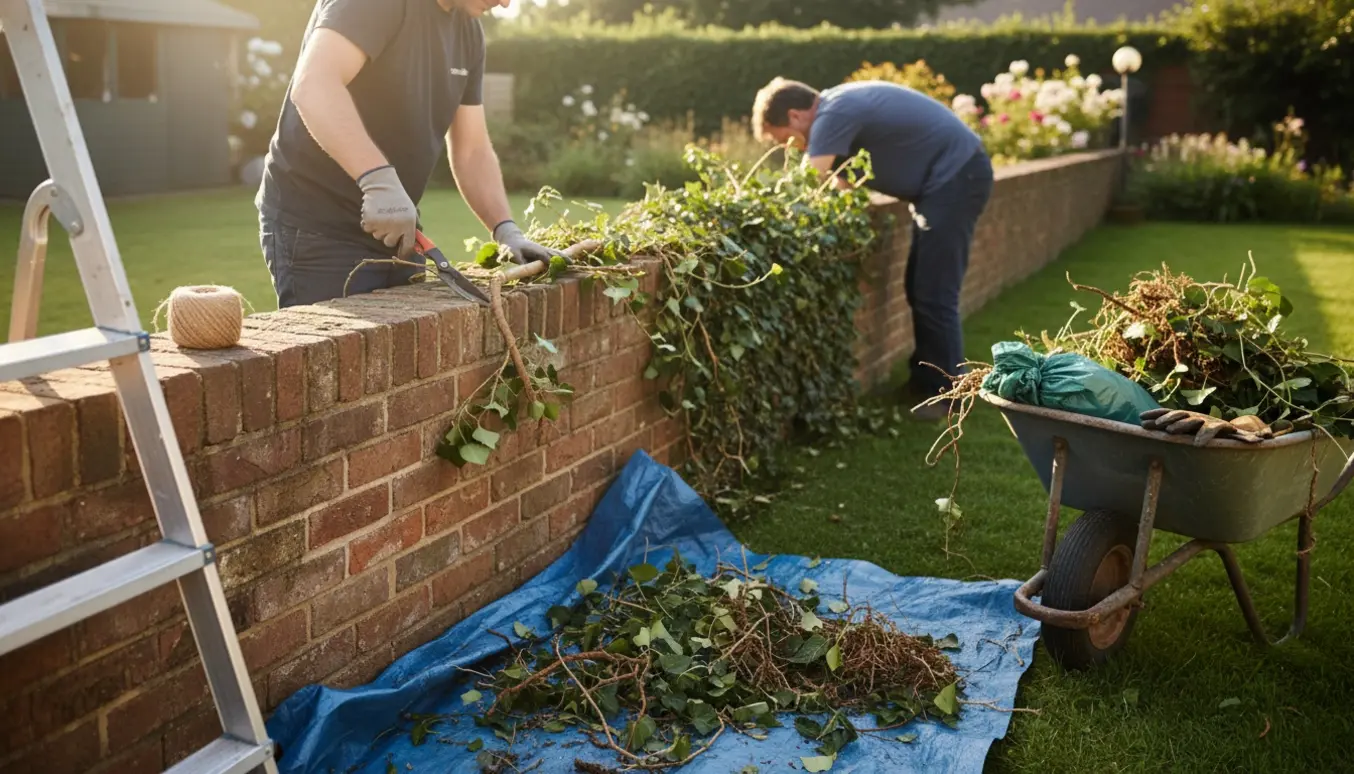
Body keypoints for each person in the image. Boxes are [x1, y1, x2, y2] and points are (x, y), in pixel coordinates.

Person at [254, 0, 564, 308]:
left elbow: (472, 149)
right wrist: (378, 182)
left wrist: (506, 230)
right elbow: (314, 85)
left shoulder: (468, 31)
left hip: (399, 230)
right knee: (337, 353)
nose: (507, 3)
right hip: (318, 228)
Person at [751, 77, 995, 420]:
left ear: (794, 116)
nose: (794, 149)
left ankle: (947, 397)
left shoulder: (833, 113)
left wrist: (764, 217)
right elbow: (842, 182)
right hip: (949, 182)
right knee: (920, 287)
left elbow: (804, 187)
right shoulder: (840, 108)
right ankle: (925, 381)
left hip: (955, 180)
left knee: (935, 292)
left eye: (785, 141)